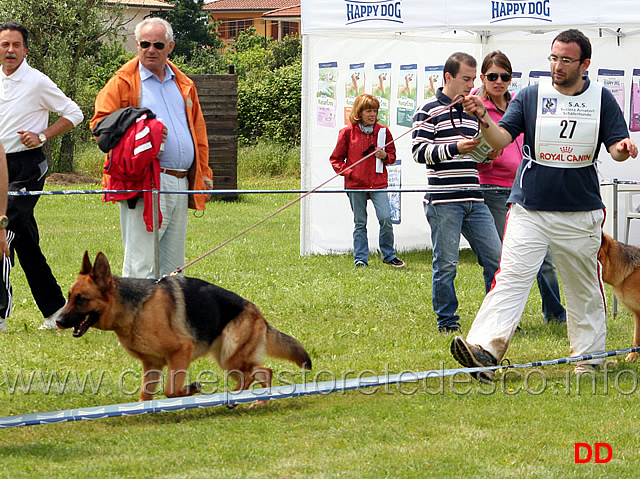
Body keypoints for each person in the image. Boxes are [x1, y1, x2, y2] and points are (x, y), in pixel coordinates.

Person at [452, 29, 638, 380]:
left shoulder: (602, 99)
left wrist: (623, 148)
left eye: (566, 59)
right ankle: (485, 352)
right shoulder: (530, 96)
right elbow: (500, 140)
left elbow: (614, 146)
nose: (557, 65)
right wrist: (483, 118)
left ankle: (589, 358)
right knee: (510, 279)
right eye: (553, 57)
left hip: (580, 210)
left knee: (583, 284)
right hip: (530, 207)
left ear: (585, 63)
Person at [90, 17, 213, 279]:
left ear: (171, 46)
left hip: (181, 181)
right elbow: (100, 126)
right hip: (142, 183)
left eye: (158, 44)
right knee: (141, 265)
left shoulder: (184, 84)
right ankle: (134, 319)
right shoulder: (122, 81)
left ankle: (167, 320)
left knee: (174, 268)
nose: (151, 49)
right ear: (137, 44)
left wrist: (204, 174)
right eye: (145, 43)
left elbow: (198, 133)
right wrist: (142, 134)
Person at [0, 21, 84, 331]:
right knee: (25, 242)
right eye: (5, 44)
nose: (10, 50)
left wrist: (43, 135)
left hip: (27, 167)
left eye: (16, 45)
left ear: (25, 49)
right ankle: (58, 313)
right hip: (1, 166)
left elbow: (74, 113)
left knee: (3, 233)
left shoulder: (36, 81)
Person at [411, 52, 502, 334]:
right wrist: (454, 148)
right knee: (447, 263)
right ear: (448, 77)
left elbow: (477, 152)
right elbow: (419, 152)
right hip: (444, 200)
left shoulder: (473, 110)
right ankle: (447, 322)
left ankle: (495, 319)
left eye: (474, 79)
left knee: (496, 260)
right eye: (466, 78)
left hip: (475, 198)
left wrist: (487, 153)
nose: (471, 84)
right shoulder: (427, 109)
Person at [474, 51, 566, 324]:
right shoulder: (476, 108)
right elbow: (472, 153)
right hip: (491, 188)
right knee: (500, 259)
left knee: (545, 257)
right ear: (483, 78)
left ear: (511, 79)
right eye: (492, 76)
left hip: (525, 189)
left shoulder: (520, 104)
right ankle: (499, 319)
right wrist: (487, 157)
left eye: (504, 76)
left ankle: (555, 313)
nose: (498, 81)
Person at [329, 93, 405, 268]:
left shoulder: (383, 131)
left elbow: (392, 156)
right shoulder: (347, 132)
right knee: (360, 222)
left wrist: (384, 155)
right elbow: (336, 159)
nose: (373, 115)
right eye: (369, 111)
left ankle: (388, 255)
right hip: (355, 185)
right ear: (359, 112)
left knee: (385, 218)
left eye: (375, 111)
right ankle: (361, 259)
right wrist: (350, 173)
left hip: (378, 183)